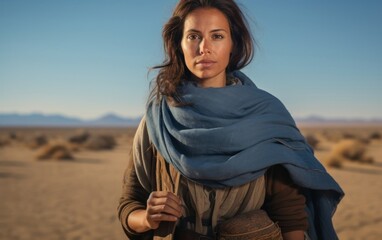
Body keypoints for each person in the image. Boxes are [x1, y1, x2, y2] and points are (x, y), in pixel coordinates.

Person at [118, 0, 344, 239]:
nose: (204, 48)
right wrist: (146, 217)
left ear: (233, 44)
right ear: (179, 44)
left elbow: (290, 214)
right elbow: (130, 203)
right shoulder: (157, 119)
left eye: (217, 36)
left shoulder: (265, 115)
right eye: (193, 36)